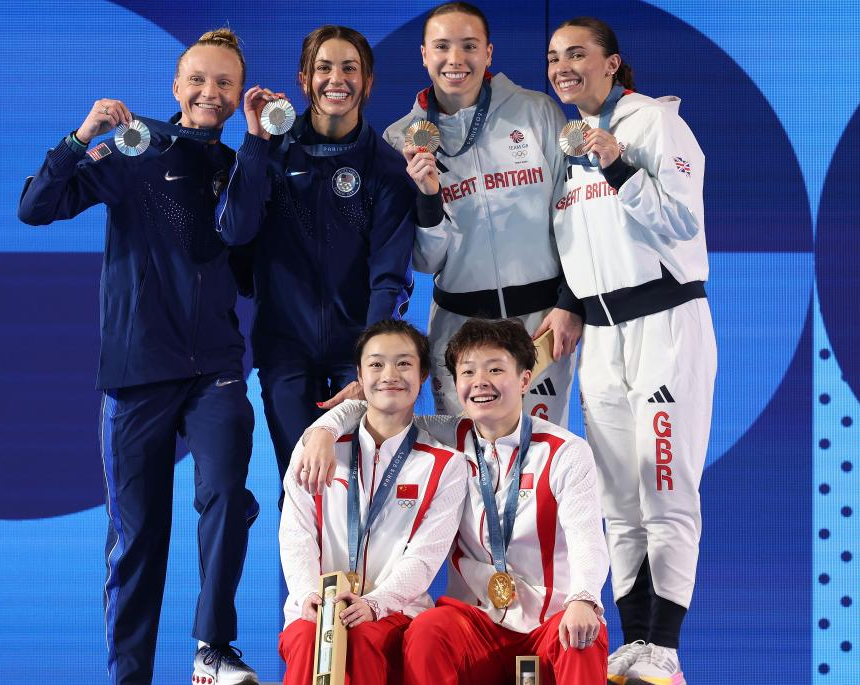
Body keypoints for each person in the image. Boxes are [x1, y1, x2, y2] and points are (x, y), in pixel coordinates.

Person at [18, 29, 260, 685]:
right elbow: (36, 207)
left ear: (239, 94)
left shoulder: (241, 164)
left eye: (225, 83)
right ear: (177, 87)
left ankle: (213, 647)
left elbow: (247, 263)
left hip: (215, 368)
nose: (210, 92)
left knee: (226, 495)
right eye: (198, 80)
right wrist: (79, 139)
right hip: (137, 372)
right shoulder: (134, 148)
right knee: (137, 538)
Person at [299, 318, 609, 685]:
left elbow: (587, 538)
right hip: (474, 624)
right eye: (468, 371)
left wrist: (584, 598)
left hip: (552, 620)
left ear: (525, 379)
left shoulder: (566, 452)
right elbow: (380, 408)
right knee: (427, 630)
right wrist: (324, 430)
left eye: (495, 369)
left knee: (584, 638)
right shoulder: (447, 434)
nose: (480, 382)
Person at [547, 17, 717, 684]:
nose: (563, 67)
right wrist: (568, 300)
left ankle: (665, 646)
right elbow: (579, 242)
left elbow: (682, 219)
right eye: (554, 57)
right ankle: (634, 639)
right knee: (617, 497)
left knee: (664, 485)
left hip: (665, 323)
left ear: (612, 63)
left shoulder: (655, 124)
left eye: (577, 54)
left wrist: (619, 164)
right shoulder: (568, 145)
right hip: (602, 337)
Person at [216, 25, 416, 485]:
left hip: (357, 351)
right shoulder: (270, 153)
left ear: (367, 81)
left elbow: (389, 275)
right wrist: (255, 143)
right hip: (285, 347)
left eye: (350, 68)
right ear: (304, 79)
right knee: (299, 485)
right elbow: (235, 230)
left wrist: (372, 361)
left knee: (361, 489)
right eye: (324, 68)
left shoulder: (387, 168)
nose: (336, 79)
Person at [386, 1, 582, 425]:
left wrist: (571, 302)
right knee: (466, 458)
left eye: (469, 46)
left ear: (488, 53)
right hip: (458, 328)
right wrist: (428, 198)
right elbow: (425, 261)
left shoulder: (536, 113)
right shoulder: (401, 139)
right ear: (424, 54)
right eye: (442, 46)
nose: (455, 59)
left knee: (540, 454)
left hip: (540, 324)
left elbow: (573, 217)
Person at [278, 319, 466, 685]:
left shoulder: (446, 465)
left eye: (404, 363)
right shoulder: (317, 448)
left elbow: (425, 556)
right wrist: (307, 595)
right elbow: (296, 534)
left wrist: (377, 603)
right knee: (306, 638)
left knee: (364, 639)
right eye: (376, 364)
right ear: (360, 378)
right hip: (317, 606)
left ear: (423, 375)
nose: (390, 375)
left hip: (395, 611)